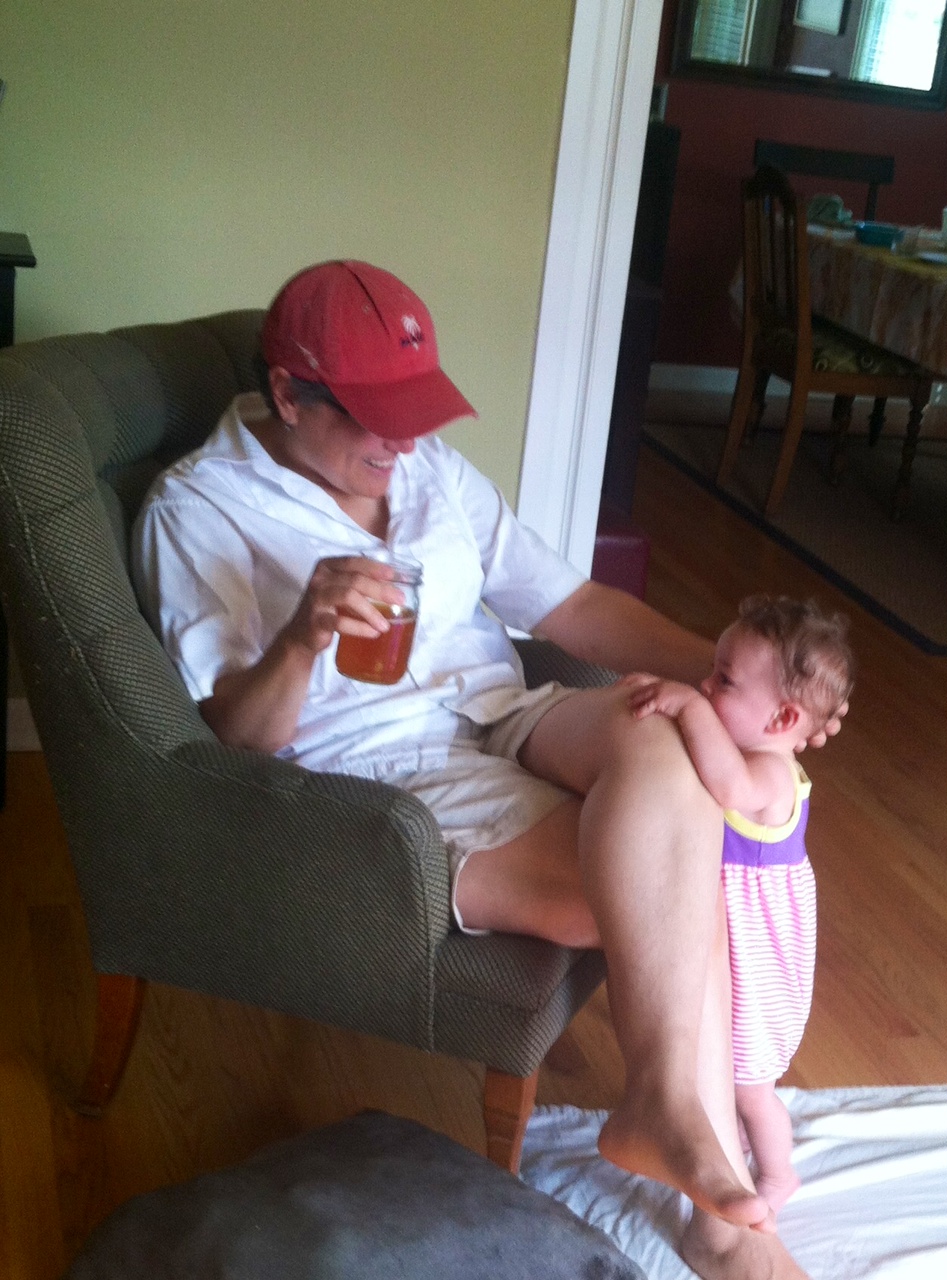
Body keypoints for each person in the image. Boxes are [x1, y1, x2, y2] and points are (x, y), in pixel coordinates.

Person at [132, 259, 842, 1280]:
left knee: (667, 738)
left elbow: (573, 609)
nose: (403, 444)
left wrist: (755, 693)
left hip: (504, 712)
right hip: (379, 769)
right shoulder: (197, 508)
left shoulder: (427, 473)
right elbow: (235, 737)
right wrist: (301, 634)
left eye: (414, 415)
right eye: (376, 419)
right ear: (288, 393)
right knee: (662, 876)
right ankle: (721, 1219)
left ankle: (661, 1109)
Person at [627, 595, 854, 1212]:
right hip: (732, 944)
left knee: (751, 1087)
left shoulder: (770, 774)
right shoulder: (754, 749)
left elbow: (727, 785)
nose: (704, 685)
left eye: (723, 681)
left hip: (760, 962)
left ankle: (778, 1173)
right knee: (714, 1065)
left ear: (782, 720)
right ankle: (719, 1139)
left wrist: (686, 705)